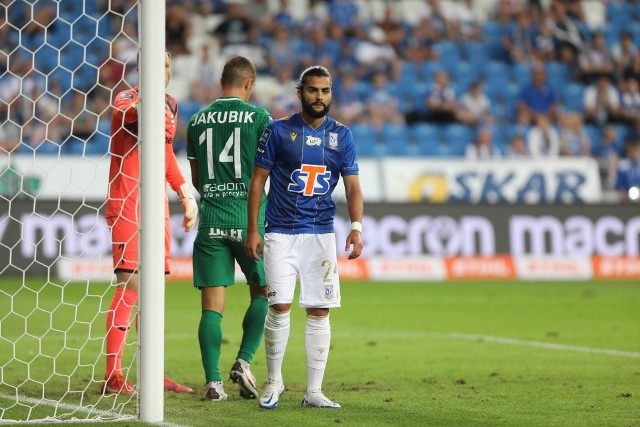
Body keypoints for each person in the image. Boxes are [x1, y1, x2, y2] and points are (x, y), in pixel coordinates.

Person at [245, 65, 364, 409]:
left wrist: (356, 227)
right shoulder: (278, 131)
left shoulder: (342, 135)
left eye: (325, 91)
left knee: (319, 310)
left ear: (331, 95)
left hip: (320, 235)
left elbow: (353, 186)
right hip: (280, 232)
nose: (319, 97)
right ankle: (274, 382)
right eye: (313, 90)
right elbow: (258, 182)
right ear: (300, 93)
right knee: (279, 306)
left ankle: (313, 391)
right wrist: (254, 228)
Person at [103, 51, 198, 395]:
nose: (165, 71)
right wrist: (147, 105)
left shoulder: (171, 104)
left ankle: (151, 371)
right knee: (130, 285)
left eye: (168, 65)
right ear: (142, 69)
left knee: (152, 293)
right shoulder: (128, 98)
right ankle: (113, 375)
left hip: (156, 207)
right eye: (157, 65)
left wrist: (185, 192)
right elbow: (129, 115)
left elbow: (166, 152)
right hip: (127, 202)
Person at [186, 56, 272, 402]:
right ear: (248, 84)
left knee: (211, 308)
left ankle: (213, 383)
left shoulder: (196, 120)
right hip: (249, 221)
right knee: (265, 292)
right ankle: (244, 360)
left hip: (211, 223)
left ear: (222, 81)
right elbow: (267, 172)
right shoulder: (260, 118)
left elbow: (196, 180)